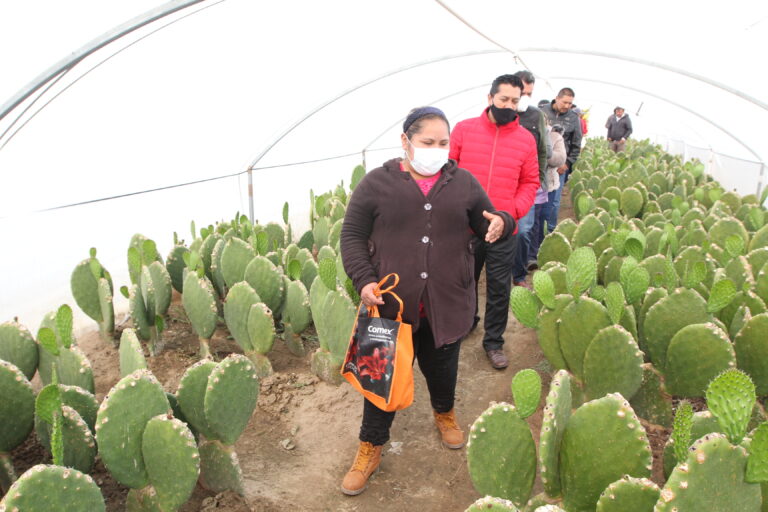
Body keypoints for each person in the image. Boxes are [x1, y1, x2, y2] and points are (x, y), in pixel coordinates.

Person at [339, 106, 514, 496]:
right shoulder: (376, 184)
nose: (436, 150)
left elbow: (489, 220)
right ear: (406, 141)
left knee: (443, 369)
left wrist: (502, 221)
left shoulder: (463, 183)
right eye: (427, 142)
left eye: (443, 143)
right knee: (380, 382)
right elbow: (351, 236)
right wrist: (364, 280)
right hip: (390, 307)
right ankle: (370, 446)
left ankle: (445, 414)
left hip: (446, 302)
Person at [449, 74, 539, 370]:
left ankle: (494, 342)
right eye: (504, 99)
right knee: (465, 281)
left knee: (500, 287)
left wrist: (508, 215)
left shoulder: (526, 139)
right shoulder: (463, 130)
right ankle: (467, 322)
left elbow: (530, 182)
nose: (509, 105)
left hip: (504, 227)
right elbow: (448, 172)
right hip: (466, 226)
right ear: (490, 98)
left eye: (515, 101)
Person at [510, 70, 549, 288]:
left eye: (529, 94)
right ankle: (501, 270)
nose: (525, 97)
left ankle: (519, 275)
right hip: (503, 183)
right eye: (522, 92)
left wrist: (538, 178)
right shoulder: (501, 113)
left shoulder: (536, 116)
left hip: (526, 184)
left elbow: (542, 149)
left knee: (523, 231)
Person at [540, 87, 583, 232]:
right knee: (538, 200)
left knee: (554, 201)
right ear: (557, 98)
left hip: (559, 166)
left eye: (570, 103)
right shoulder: (542, 112)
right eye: (564, 102)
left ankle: (550, 231)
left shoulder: (574, 118)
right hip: (539, 165)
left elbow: (576, 144)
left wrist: (567, 163)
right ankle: (538, 231)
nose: (567, 106)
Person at [530, 123, 567, 264]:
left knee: (543, 219)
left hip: (547, 185)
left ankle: (540, 251)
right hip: (526, 187)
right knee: (528, 224)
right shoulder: (523, 133)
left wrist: (541, 154)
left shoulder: (555, 137)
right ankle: (529, 254)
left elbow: (559, 159)